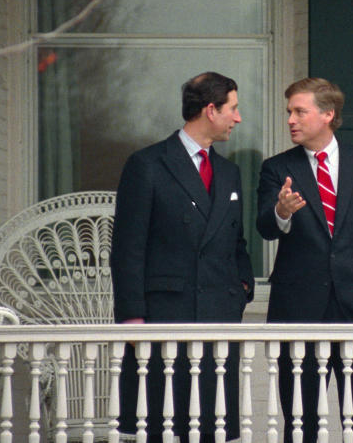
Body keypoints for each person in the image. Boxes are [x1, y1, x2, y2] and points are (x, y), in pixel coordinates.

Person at [256, 77, 353, 443]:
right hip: (298, 309)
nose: (290, 119)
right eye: (288, 111)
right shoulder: (277, 168)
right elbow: (264, 228)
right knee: (300, 423)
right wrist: (281, 211)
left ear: (327, 114)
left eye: (299, 111)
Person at [111, 71, 255, 443]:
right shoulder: (148, 164)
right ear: (211, 110)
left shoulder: (229, 172)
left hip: (218, 317)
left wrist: (241, 287)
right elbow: (128, 247)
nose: (238, 118)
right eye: (233, 109)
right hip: (165, 316)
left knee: (214, 428)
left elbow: (236, 241)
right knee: (160, 426)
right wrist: (131, 316)